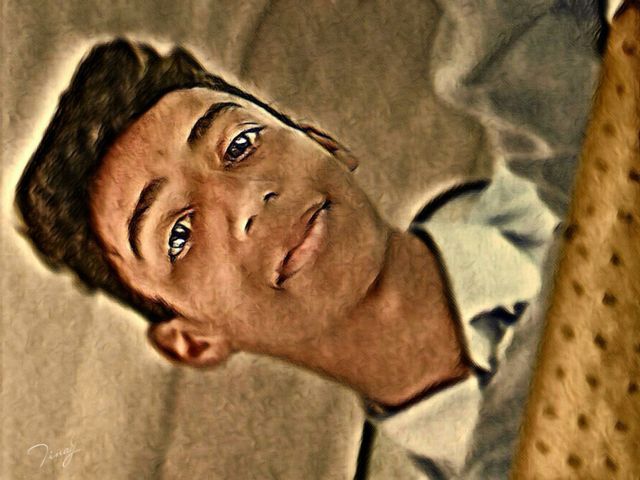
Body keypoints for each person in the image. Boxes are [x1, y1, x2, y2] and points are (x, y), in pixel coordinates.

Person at [13, 35, 569, 478]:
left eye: (239, 145)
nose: (248, 200)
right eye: (179, 234)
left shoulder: (578, 160)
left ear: (321, 140)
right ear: (193, 340)